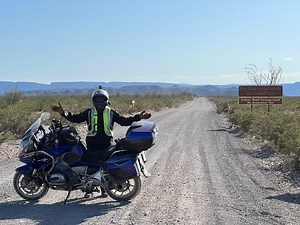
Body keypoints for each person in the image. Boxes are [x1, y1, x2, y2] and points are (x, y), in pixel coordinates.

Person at [51, 85, 151, 197]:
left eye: (101, 99)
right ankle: (89, 189)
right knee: (89, 164)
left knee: (103, 164)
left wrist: (138, 117)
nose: (99, 101)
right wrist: (63, 112)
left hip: (105, 143)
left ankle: (104, 188)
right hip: (93, 143)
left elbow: (124, 121)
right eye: (97, 99)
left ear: (106, 100)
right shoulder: (89, 112)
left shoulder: (110, 112)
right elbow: (75, 118)